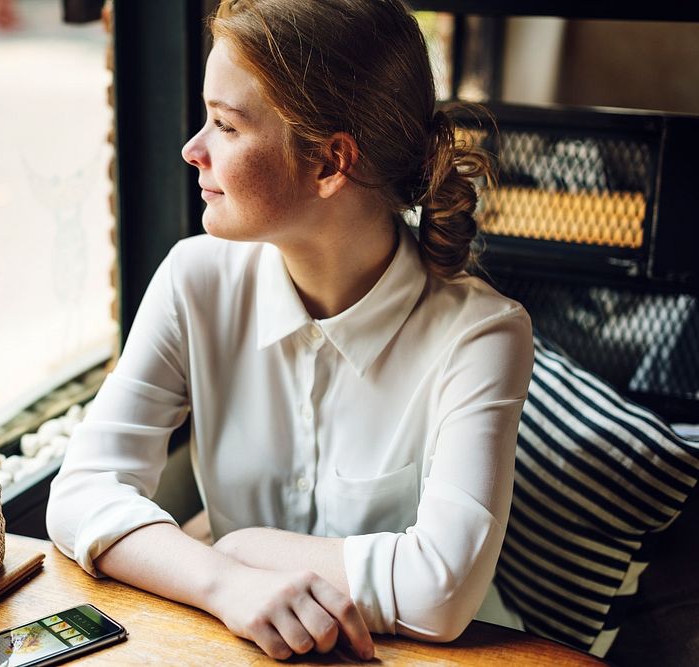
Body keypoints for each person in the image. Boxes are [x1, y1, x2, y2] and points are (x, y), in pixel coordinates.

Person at [46, 0, 534, 660]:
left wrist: (242, 546)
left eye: (225, 125)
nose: (193, 150)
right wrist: (226, 583)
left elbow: (440, 593)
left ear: (331, 162)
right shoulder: (195, 279)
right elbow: (78, 492)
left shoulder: (482, 336)